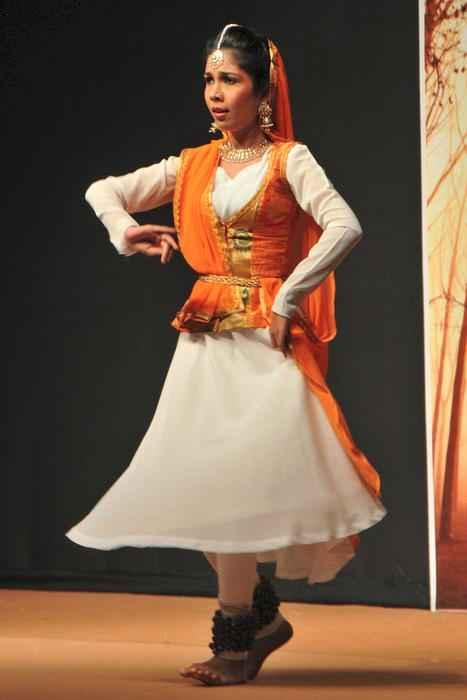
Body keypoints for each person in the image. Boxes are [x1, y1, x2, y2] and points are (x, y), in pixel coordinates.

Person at [65, 23, 388, 686]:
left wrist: (290, 295)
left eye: (230, 80)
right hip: (207, 343)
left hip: (265, 346)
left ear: (262, 93)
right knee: (204, 483)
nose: (214, 92)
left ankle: (237, 637)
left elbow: (344, 225)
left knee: (239, 485)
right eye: (209, 79)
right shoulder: (193, 164)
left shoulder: (289, 160)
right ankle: (259, 618)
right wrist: (125, 230)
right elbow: (104, 189)